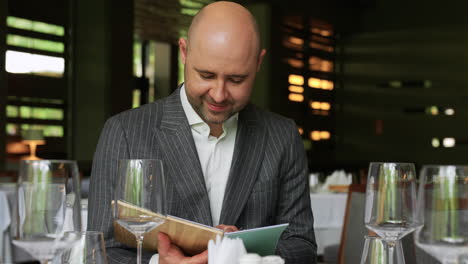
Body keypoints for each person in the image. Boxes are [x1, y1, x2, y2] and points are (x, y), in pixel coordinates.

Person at [88, 1, 317, 264]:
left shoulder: (283, 136)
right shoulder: (124, 132)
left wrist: (243, 254)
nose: (218, 94)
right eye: (206, 75)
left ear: (258, 63)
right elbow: (99, 251)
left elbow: (302, 247)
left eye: (236, 80)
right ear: (184, 52)